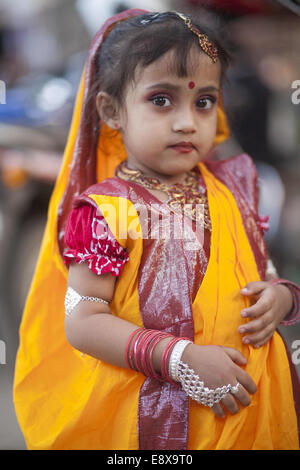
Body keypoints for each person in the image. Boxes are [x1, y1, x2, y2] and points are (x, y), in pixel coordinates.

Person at [13, 9, 300, 450]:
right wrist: (181, 359)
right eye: (161, 100)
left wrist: (280, 296)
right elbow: (84, 322)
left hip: (255, 415)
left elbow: (261, 266)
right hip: (158, 423)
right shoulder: (108, 211)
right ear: (111, 111)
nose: (187, 121)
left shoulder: (233, 184)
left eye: (203, 101)